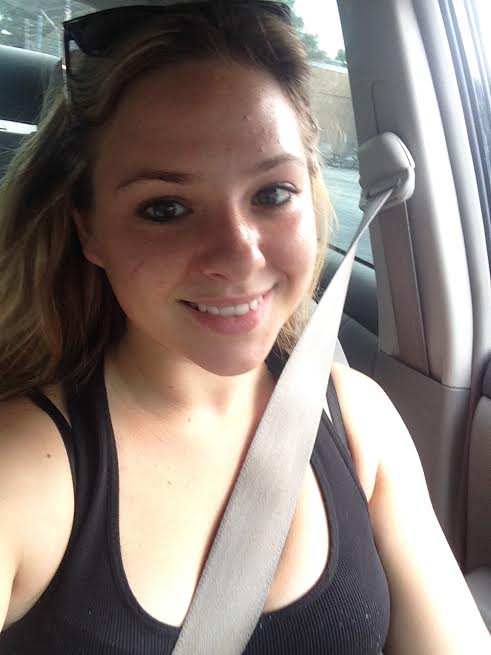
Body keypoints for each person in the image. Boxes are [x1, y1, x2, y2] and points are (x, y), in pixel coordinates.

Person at [0, 2, 489, 654]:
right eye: (165, 208)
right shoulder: (23, 467)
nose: (237, 255)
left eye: (272, 194)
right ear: (89, 230)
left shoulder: (358, 422)